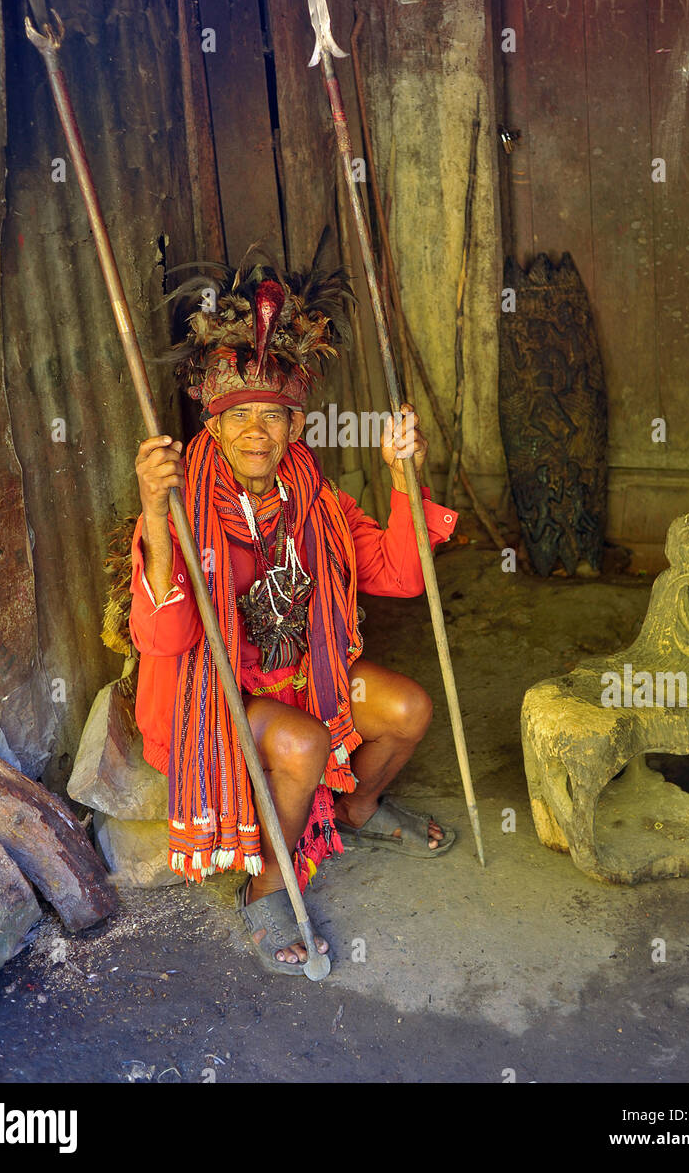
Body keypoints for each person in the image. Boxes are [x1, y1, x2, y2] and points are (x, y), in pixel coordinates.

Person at [127, 260, 459, 976]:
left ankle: (358, 809)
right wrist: (156, 516)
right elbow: (163, 635)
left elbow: (400, 573)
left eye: (271, 415)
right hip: (216, 701)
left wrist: (405, 475)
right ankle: (267, 887)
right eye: (238, 415)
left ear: (295, 424)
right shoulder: (183, 513)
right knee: (306, 745)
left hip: (306, 678)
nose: (255, 432)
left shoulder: (319, 503)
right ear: (212, 426)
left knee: (408, 708)